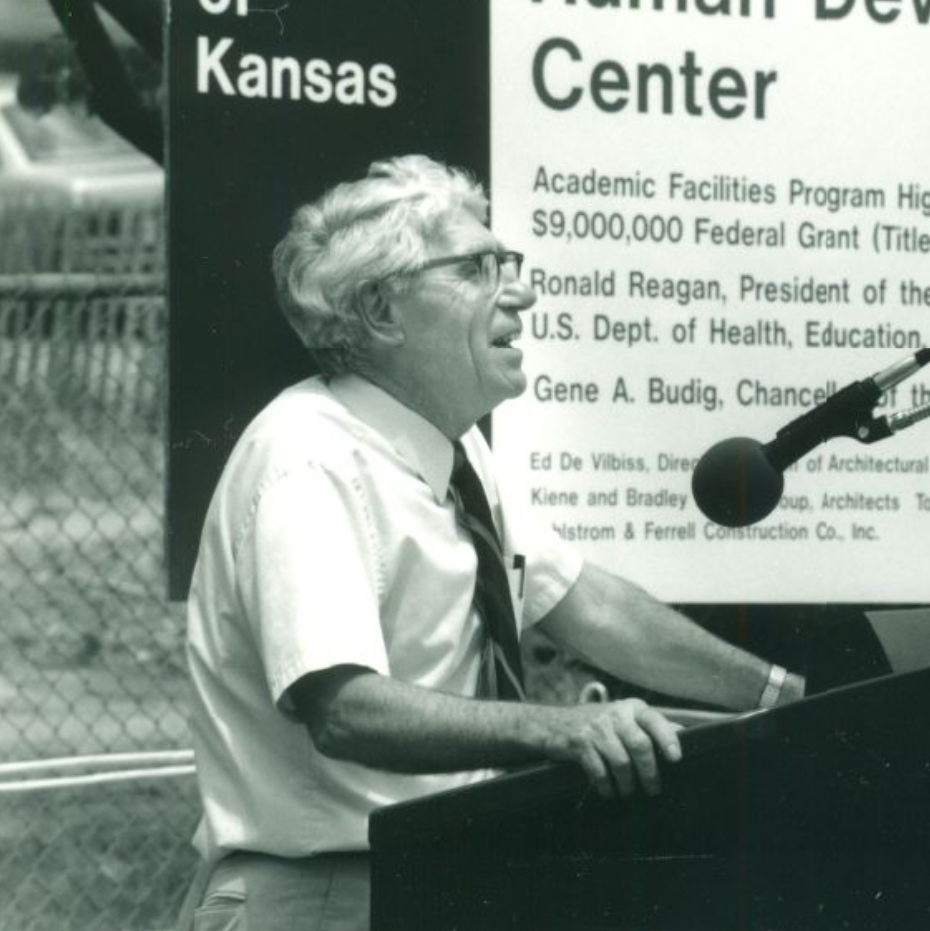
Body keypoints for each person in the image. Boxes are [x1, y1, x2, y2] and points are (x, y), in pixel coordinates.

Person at [175, 154, 804, 931]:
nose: (523, 292)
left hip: (427, 882)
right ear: (381, 310)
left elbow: (584, 602)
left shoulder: (456, 451)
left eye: (508, 262)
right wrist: (560, 729)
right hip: (323, 901)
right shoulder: (309, 460)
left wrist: (785, 698)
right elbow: (346, 708)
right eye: (478, 267)